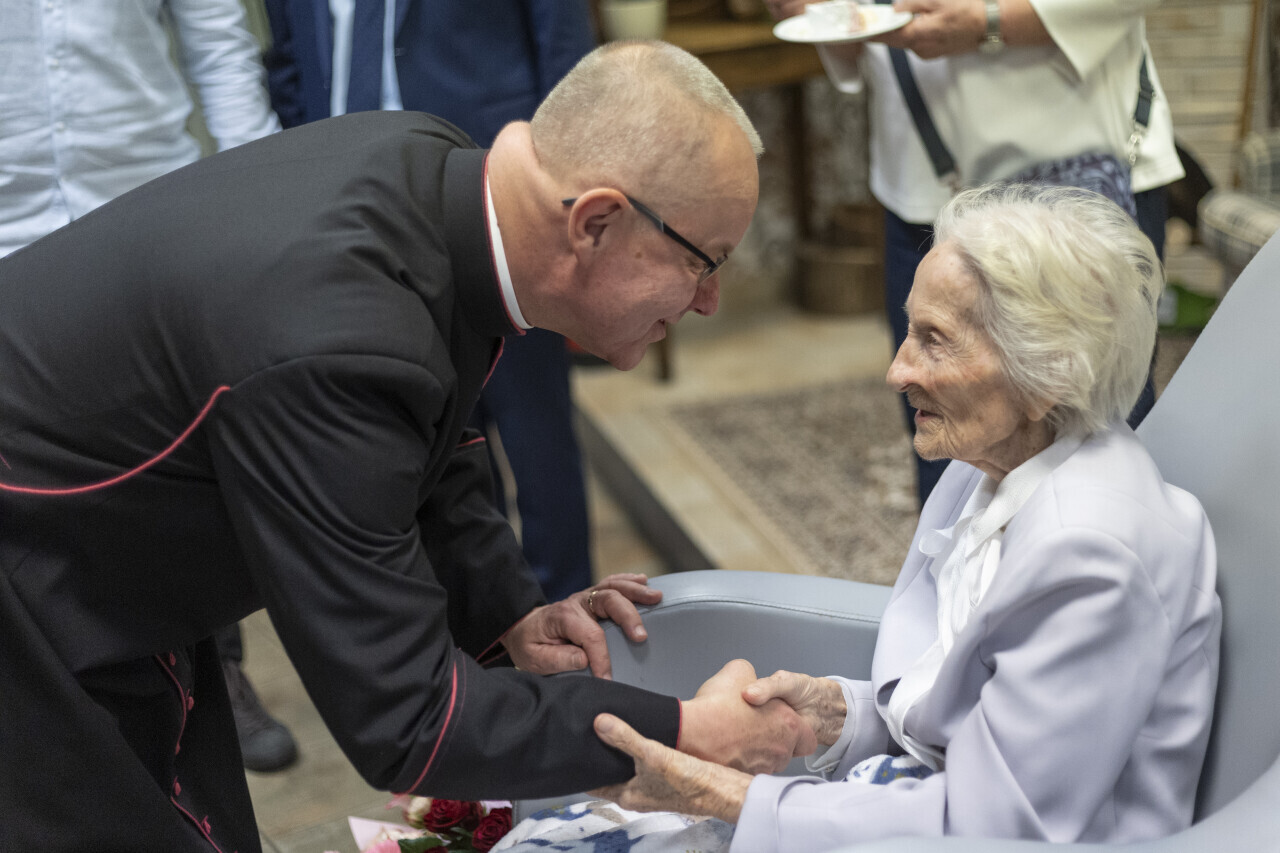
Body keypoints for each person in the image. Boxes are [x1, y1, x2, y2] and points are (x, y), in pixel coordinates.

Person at [0, 42, 814, 853]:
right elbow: (410, 719)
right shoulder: (333, 338)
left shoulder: (433, 168)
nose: (710, 301)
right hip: (38, 590)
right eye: (705, 262)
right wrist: (686, 733)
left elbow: (428, 433)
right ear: (594, 222)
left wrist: (510, 615)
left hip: (111, 552)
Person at [500, 185, 1220, 851]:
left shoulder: (1091, 556)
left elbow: (1001, 825)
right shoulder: (986, 466)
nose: (897, 371)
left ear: (1049, 373)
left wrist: (716, 792)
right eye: (909, 331)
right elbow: (965, 715)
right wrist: (833, 712)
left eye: (934, 339)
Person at [0, 0, 298, 771]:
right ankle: (51, 703)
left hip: (143, 201)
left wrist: (267, 198)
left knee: (183, 467)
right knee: (26, 489)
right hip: (7, 222)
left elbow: (217, 36)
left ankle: (214, 673)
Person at [765, 0, 1183, 505]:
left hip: (1082, 142)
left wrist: (993, 19)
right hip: (923, 164)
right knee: (940, 425)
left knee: (1097, 426)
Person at [260, 0, 598, 602]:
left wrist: (563, 188)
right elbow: (290, 59)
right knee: (438, 430)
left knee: (535, 424)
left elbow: (564, 47)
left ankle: (568, 607)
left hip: (497, 184)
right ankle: (492, 613)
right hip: (358, 207)